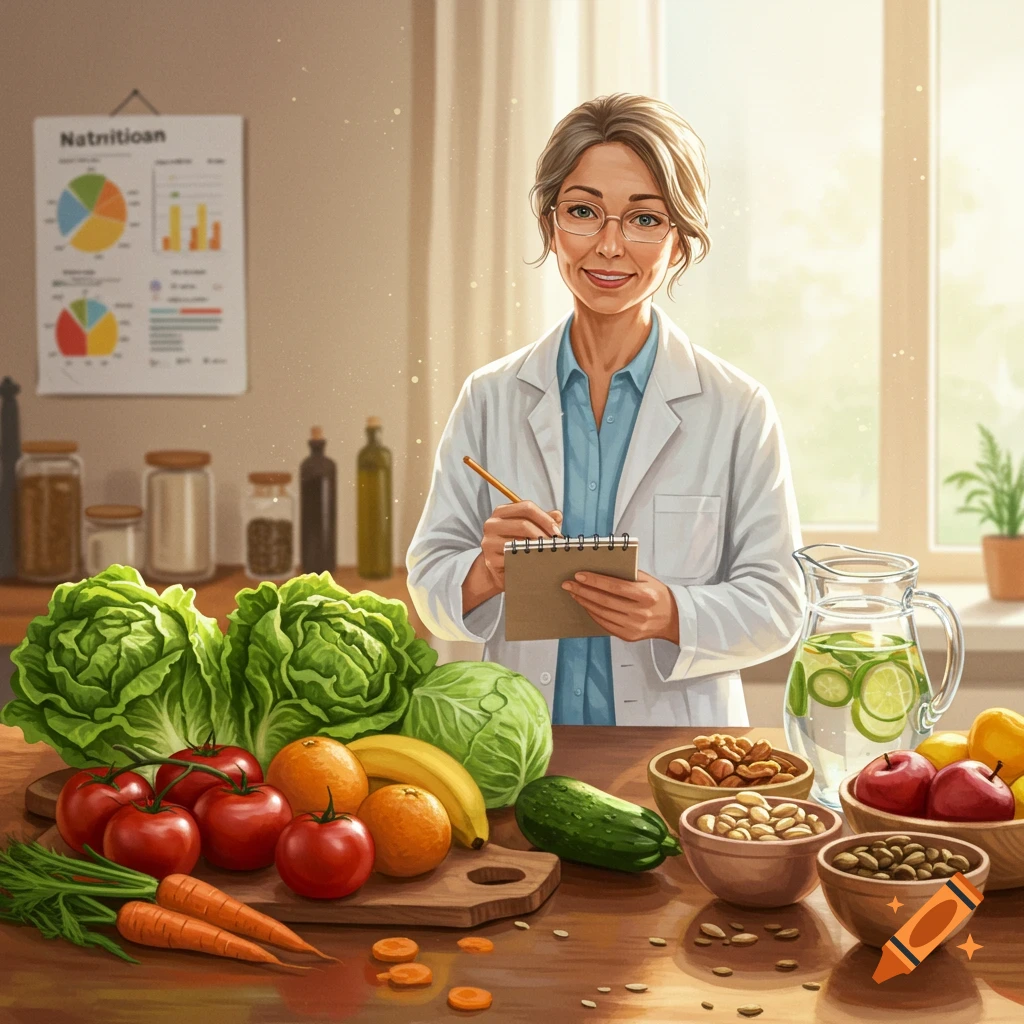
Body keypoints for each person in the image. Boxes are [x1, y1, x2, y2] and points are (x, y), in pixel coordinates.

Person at [406, 93, 803, 727]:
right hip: (522, 747)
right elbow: (428, 580)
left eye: (644, 219)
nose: (610, 246)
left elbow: (780, 604)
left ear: (678, 242)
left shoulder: (737, 409)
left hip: (675, 756)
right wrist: (483, 571)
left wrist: (672, 614)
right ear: (551, 227)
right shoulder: (490, 396)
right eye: (585, 212)